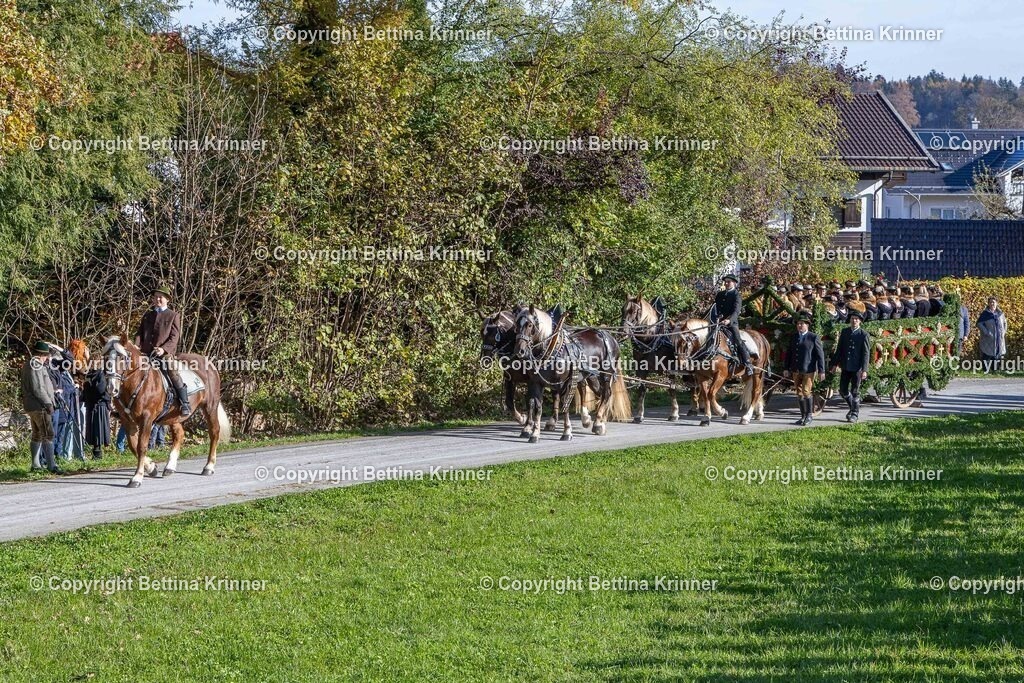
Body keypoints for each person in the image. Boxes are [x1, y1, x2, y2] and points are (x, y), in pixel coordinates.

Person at [135, 283, 190, 416]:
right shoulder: (148, 315)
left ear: (167, 299)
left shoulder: (173, 316)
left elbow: (175, 336)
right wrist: (136, 346)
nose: (158, 299)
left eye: (161, 297)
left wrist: (164, 349)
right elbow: (139, 333)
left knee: (173, 373)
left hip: (163, 354)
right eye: (156, 297)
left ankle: (184, 403)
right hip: (145, 353)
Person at [20, 341, 62, 473]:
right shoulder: (36, 365)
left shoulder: (28, 364)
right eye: (47, 356)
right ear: (42, 355)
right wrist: (48, 403)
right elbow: (38, 388)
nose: (47, 359)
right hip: (40, 405)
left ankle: (36, 465)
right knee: (48, 434)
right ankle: (52, 466)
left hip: (32, 405)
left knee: (37, 434)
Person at [784, 315, 825, 426]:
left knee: (806, 391)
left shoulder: (813, 337)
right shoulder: (794, 337)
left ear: (807, 325)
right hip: (796, 369)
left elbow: (820, 355)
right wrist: (786, 368)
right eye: (798, 324)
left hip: (809, 369)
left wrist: (822, 371)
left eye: (802, 324)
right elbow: (789, 354)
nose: (800, 326)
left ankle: (809, 415)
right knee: (799, 393)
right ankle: (802, 416)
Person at [830, 311, 871, 423]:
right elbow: (840, 350)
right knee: (843, 390)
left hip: (857, 368)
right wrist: (834, 364)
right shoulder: (845, 332)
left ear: (860, 321)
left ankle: (854, 414)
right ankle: (853, 408)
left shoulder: (864, 334)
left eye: (856, 319)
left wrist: (864, 369)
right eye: (852, 319)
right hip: (846, 366)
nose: (854, 321)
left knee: (855, 391)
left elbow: (866, 353)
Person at [714, 274, 752, 375]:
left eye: (728, 282)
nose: (726, 283)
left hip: (731, 323)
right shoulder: (720, 294)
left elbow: (736, 311)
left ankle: (748, 363)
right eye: (725, 282)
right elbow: (714, 308)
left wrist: (729, 320)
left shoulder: (736, 295)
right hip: (717, 323)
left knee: (738, 339)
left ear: (734, 283)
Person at [82, 366, 111, 460]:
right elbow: (93, 391)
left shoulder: (101, 374)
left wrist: (90, 386)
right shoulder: (90, 375)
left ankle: (98, 453)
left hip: (99, 405)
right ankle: (96, 453)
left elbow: (101, 390)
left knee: (98, 430)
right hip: (93, 406)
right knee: (94, 430)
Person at [977, 297, 1007, 362]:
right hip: (989, 337)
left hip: (999, 338)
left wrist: (1003, 332)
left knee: (998, 354)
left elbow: (1005, 323)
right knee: (987, 355)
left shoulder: (1000, 314)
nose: (992, 303)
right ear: (988, 304)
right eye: (990, 302)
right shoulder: (985, 314)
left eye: (993, 302)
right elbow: (979, 324)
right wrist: (986, 332)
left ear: (996, 303)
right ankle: (985, 369)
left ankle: (995, 370)